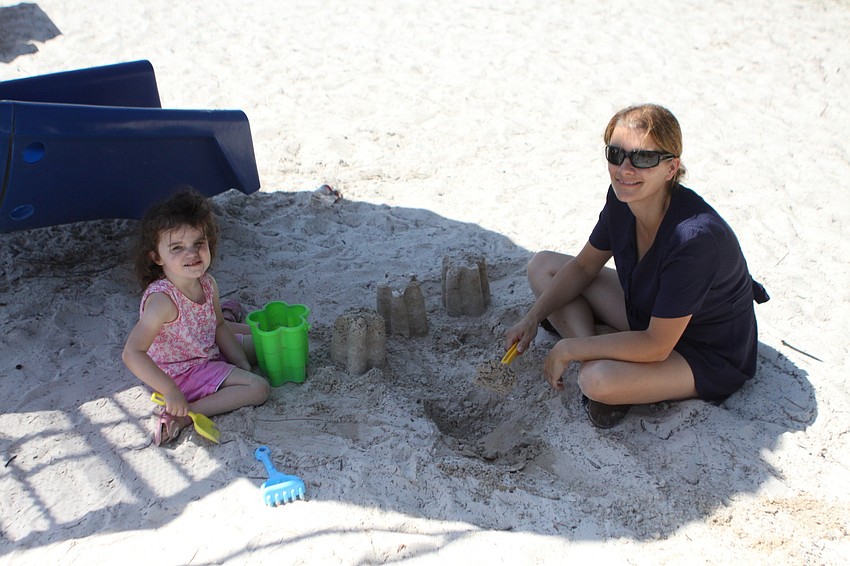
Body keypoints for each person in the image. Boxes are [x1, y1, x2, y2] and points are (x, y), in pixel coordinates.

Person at [505, 103, 768, 428]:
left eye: (642, 158)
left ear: (671, 168)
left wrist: (569, 347)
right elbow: (585, 266)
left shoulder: (694, 238)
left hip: (700, 350)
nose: (624, 169)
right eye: (615, 154)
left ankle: (598, 355)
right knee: (542, 265)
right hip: (650, 312)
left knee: (597, 381)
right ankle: (597, 347)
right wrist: (531, 318)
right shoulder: (623, 198)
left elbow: (658, 345)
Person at [123, 188, 270, 445]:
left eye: (198, 244)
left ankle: (232, 334)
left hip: (205, 349)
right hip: (183, 372)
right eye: (177, 247)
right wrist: (171, 390)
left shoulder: (206, 283)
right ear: (157, 257)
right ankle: (186, 415)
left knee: (263, 342)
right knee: (258, 388)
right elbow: (132, 352)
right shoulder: (162, 301)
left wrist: (241, 364)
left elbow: (219, 326)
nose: (191, 254)